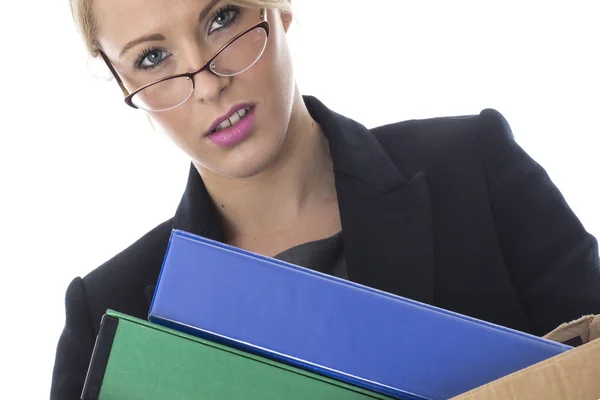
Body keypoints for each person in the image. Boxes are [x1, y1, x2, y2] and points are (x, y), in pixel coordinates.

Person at [51, 0, 600, 398]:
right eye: (152, 59)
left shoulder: (474, 168)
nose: (208, 82)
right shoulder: (106, 311)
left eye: (222, 18)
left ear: (279, 8)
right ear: (121, 83)